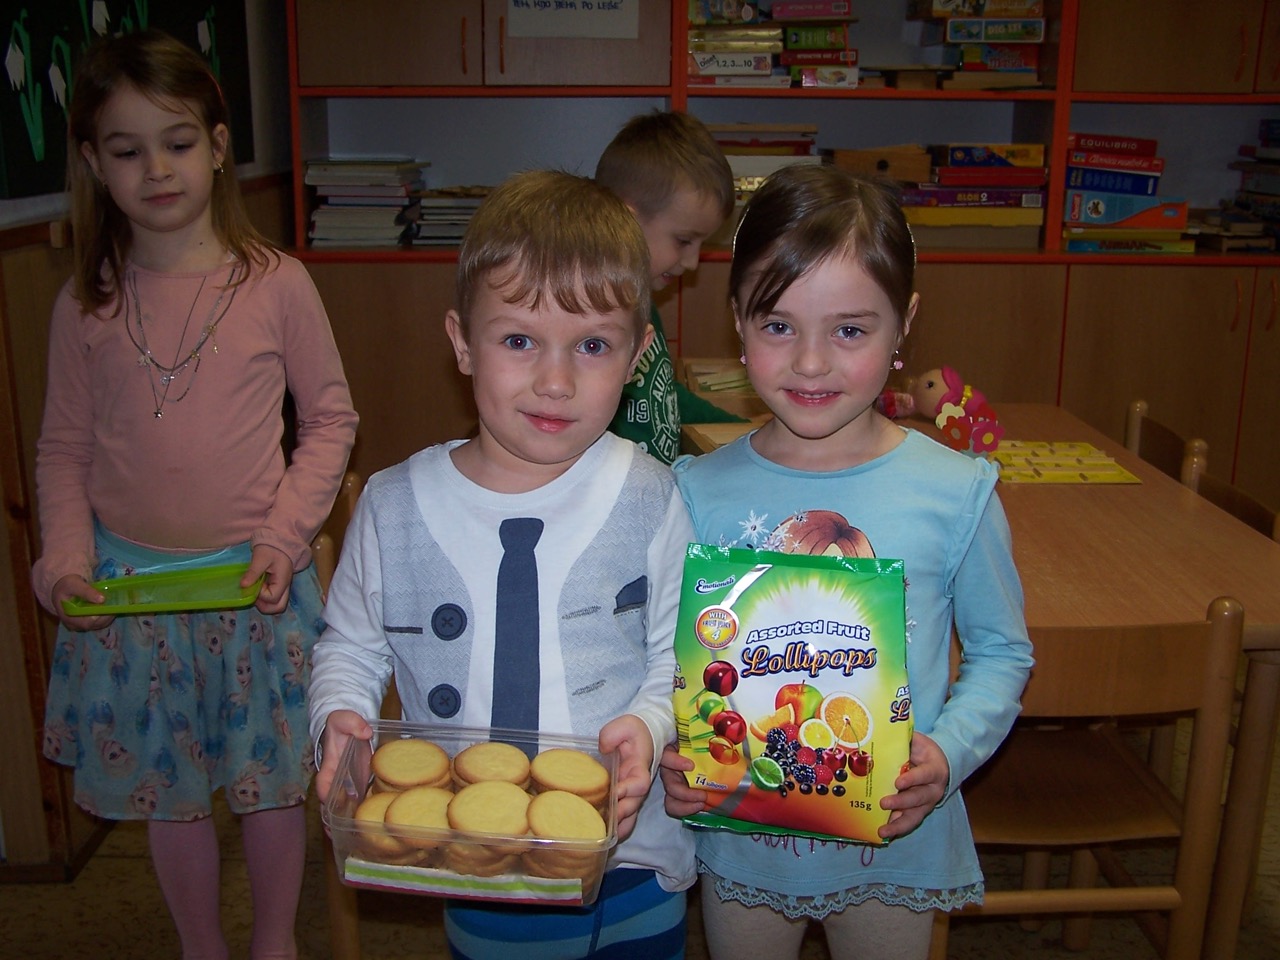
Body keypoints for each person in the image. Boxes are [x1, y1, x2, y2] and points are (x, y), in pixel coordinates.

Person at [308, 169, 695, 959]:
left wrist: (651, 726)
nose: (555, 381)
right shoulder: (392, 505)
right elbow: (349, 647)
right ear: (462, 342)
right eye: (519, 341)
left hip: (636, 861)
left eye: (592, 345)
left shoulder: (655, 497)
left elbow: (678, 658)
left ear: (637, 356)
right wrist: (338, 717)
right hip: (475, 863)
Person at [33, 30, 358, 960]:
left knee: (271, 783)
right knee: (166, 792)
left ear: (218, 146)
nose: (156, 169)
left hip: (253, 588)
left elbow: (330, 420)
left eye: (176, 142)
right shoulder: (83, 304)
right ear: (93, 163)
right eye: (126, 151)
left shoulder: (278, 284)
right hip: (131, 596)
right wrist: (64, 559)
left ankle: (272, 941)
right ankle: (200, 945)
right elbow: (62, 450)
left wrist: (284, 537)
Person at [659, 165, 1034, 960]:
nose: (811, 363)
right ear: (736, 319)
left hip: (894, 839)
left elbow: (1002, 650)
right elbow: (669, 658)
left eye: (851, 331)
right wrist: (673, 742)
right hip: (747, 844)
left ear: (905, 326)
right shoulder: (695, 491)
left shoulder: (956, 491)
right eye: (778, 325)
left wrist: (949, 752)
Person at [595, 110, 747, 466]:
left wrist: (744, 432)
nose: (692, 262)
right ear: (627, 221)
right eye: (684, 240)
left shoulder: (642, 302)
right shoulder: (593, 319)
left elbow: (665, 396)